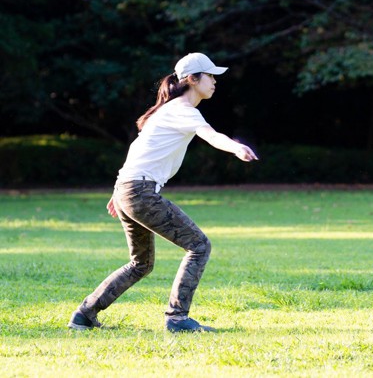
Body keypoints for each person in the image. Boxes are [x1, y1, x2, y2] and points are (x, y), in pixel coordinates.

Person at [68, 52, 258, 333]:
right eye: (210, 75)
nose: (215, 80)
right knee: (199, 246)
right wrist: (236, 147)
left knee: (140, 264)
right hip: (139, 191)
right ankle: (178, 318)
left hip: (129, 190)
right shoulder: (182, 109)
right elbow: (211, 135)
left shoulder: (168, 110)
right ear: (193, 80)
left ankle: (84, 315)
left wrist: (118, 191)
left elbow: (137, 151)